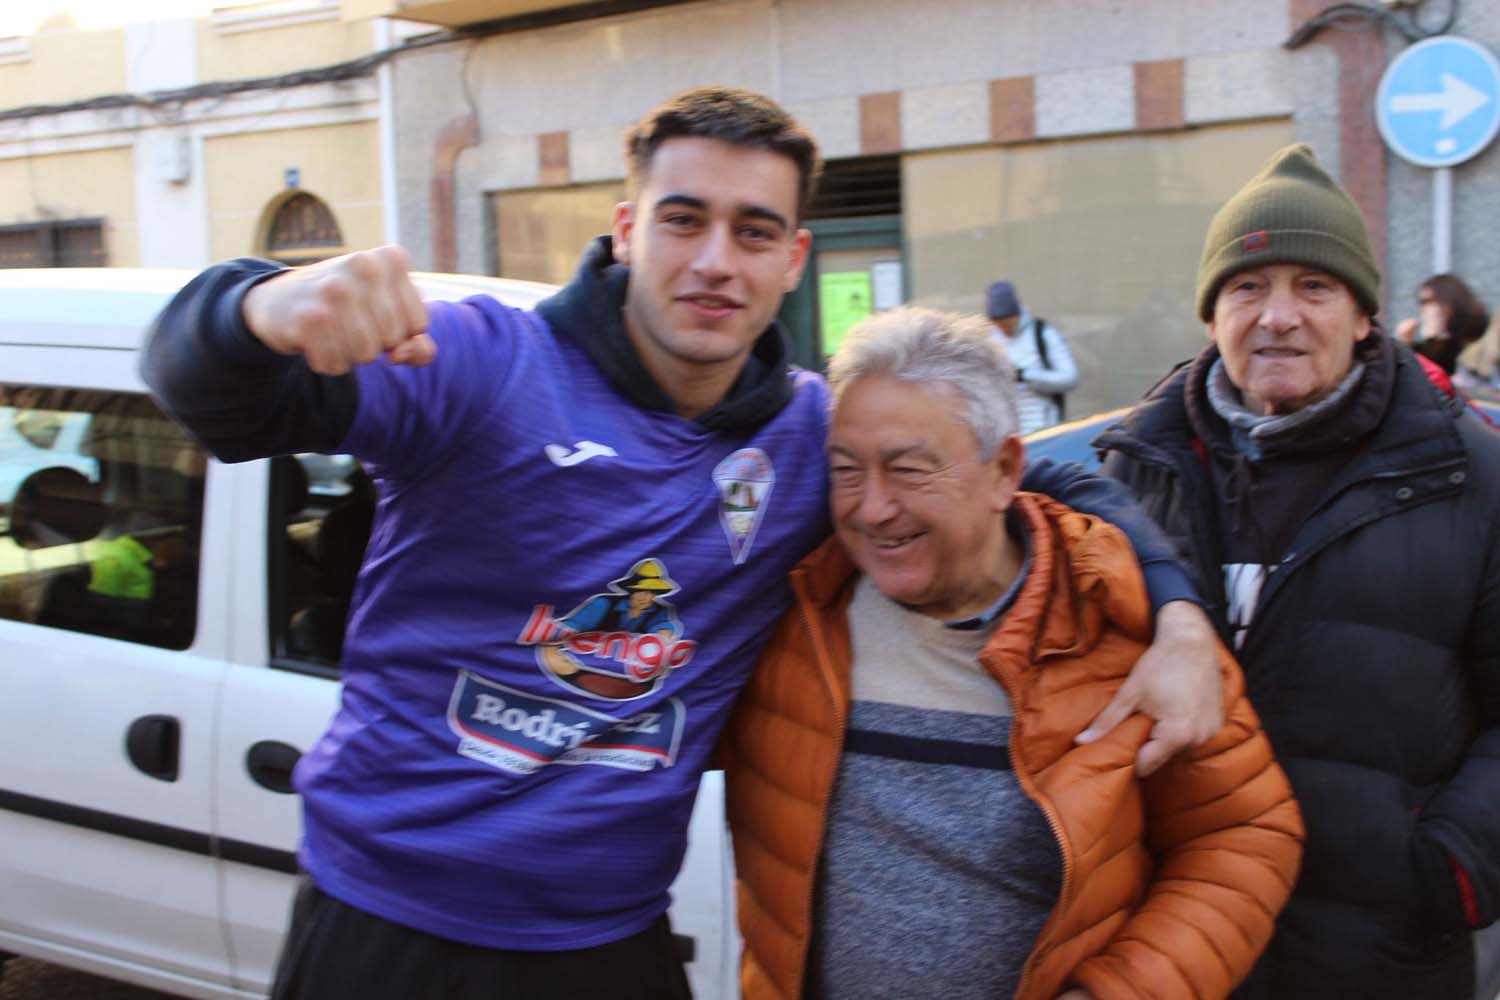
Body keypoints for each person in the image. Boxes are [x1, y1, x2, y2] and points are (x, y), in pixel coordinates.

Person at [142, 87, 1223, 999]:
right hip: (393, 924)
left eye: (753, 232)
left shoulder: (813, 436)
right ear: (626, 227)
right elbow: (214, 398)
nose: (716, 261)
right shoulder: (481, 363)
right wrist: (257, 308)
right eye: (683, 219)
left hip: (610, 935)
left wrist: (1177, 616)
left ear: (794, 258)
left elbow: (1041, 473)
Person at [722, 306, 1303, 1000]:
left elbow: (1246, 832)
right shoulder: (792, 616)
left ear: (1004, 471)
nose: (872, 509)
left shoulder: (1118, 620)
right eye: (846, 471)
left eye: (908, 470)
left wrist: (1121, 992)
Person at [1094, 143, 1500, 999]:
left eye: (1313, 288)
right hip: (1178, 947)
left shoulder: (1468, 474)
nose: (1278, 316)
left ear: (1362, 317)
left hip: (1382, 954)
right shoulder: (1132, 468)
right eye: (1248, 287)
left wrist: (1456, 864)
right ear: (1211, 316)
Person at [986, 279, 1078, 433]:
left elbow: (1070, 378)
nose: (1003, 328)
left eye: (1006, 323)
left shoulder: (1042, 334)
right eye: (997, 324)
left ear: (1015, 315)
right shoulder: (991, 339)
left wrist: (1025, 375)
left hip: (1044, 426)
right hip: (1008, 430)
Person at [1394, 272, 1489, 374]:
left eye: (1428, 302)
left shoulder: (1478, 338)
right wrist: (1405, 345)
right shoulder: (1431, 347)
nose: (1423, 310)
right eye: (1421, 303)